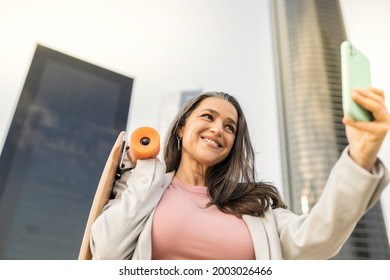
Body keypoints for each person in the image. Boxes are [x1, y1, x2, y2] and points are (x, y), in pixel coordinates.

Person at [90, 87, 390, 260]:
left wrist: (360, 157)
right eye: (208, 117)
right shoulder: (144, 188)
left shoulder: (256, 209)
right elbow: (106, 252)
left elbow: (318, 238)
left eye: (229, 127)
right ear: (182, 127)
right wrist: (146, 172)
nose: (217, 129)